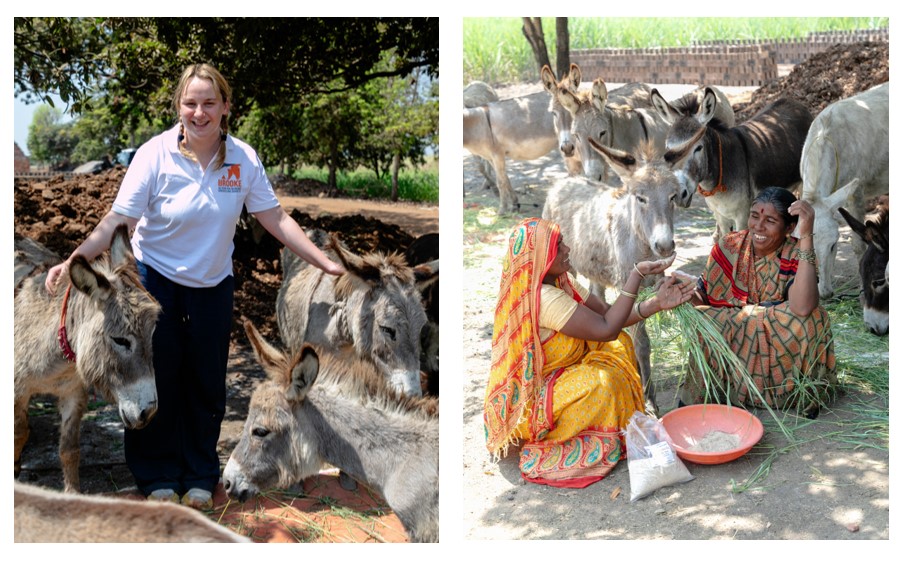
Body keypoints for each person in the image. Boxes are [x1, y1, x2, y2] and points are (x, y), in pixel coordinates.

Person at [45, 63, 345, 509]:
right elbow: (119, 220)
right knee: (157, 376)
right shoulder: (154, 154)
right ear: (178, 107)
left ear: (225, 107)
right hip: (154, 284)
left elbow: (275, 218)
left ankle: (201, 472)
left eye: (209, 103)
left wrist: (325, 262)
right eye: (190, 103)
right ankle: (156, 475)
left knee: (206, 382)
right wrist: (77, 258)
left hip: (212, 285)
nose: (199, 112)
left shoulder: (242, 159)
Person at [483, 217, 696, 488]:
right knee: (601, 384)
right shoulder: (543, 298)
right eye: (558, 245)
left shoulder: (562, 281)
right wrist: (636, 276)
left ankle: (611, 422)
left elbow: (608, 315)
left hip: (564, 370)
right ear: (541, 256)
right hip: (537, 396)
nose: (567, 249)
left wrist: (656, 303)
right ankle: (577, 435)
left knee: (620, 344)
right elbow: (605, 328)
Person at [681, 187, 837, 417]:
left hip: (778, 348)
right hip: (732, 336)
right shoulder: (729, 246)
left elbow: (802, 307)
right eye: (754, 216)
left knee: (815, 318)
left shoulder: (796, 252)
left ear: (789, 228)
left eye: (770, 220)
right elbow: (703, 302)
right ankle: (722, 394)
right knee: (705, 320)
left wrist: (806, 236)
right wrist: (683, 293)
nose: (758, 226)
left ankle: (793, 395)